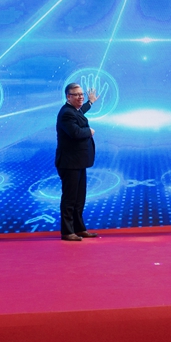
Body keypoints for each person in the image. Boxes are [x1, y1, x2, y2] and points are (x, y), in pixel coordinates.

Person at [56, 83, 99, 241]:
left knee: (79, 199)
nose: (81, 97)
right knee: (70, 199)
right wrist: (89, 131)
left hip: (78, 162)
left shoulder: (73, 110)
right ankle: (68, 231)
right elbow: (75, 132)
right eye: (77, 95)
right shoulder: (66, 113)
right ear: (68, 97)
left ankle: (79, 229)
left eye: (82, 94)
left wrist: (90, 102)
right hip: (69, 163)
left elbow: (80, 113)